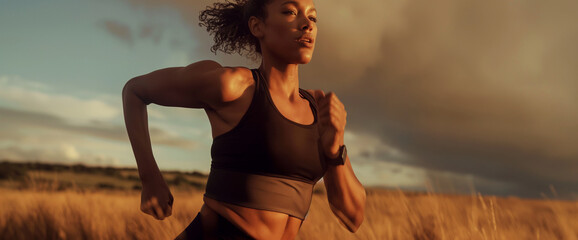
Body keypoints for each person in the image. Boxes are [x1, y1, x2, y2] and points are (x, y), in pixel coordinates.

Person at [122, 0, 366, 239]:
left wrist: (335, 151)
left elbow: (353, 218)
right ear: (257, 26)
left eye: (313, 17)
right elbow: (134, 91)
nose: (307, 24)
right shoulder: (233, 86)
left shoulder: (319, 106)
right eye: (290, 12)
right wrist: (149, 178)